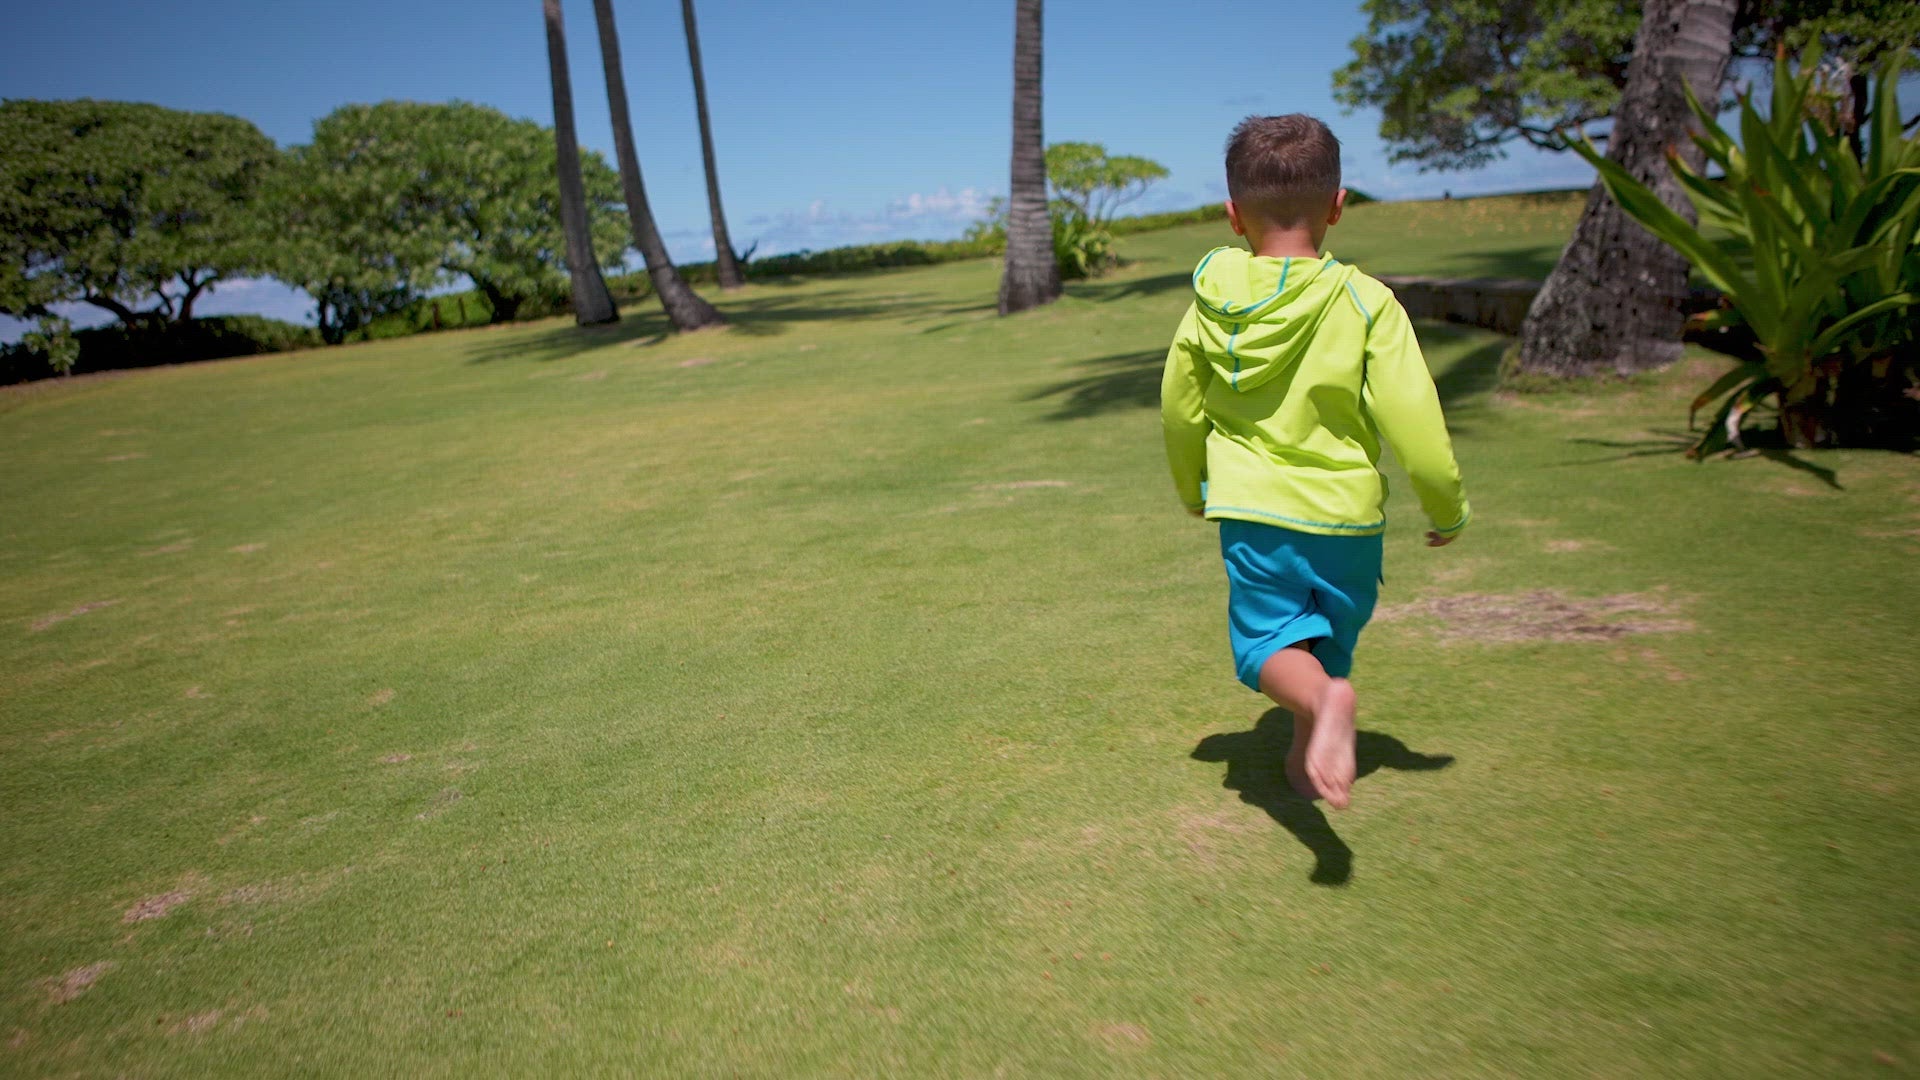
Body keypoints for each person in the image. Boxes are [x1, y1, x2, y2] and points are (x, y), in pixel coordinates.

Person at [1161, 114, 1470, 810]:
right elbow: (1417, 423)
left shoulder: (1208, 309)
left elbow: (1180, 410)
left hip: (1256, 518)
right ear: (1338, 204)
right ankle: (1308, 756)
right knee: (1325, 642)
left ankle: (1328, 706)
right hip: (1349, 523)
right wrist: (1448, 507)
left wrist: (1193, 490)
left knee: (1267, 648)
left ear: (1233, 215)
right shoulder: (1368, 302)